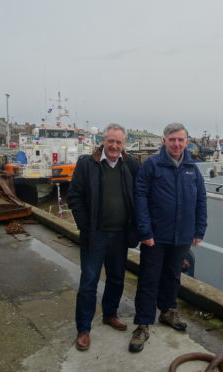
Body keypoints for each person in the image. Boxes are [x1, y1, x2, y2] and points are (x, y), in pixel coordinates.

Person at [129, 122, 207, 353]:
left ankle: (167, 311)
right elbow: (140, 198)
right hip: (156, 236)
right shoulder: (152, 165)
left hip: (182, 235)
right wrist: (145, 231)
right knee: (149, 279)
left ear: (187, 141)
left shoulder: (192, 167)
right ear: (164, 141)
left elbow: (201, 199)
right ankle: (143, 324)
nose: (176, 144)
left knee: (173, 276)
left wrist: (199, 230)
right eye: (172, 139)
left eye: (180, 140)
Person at [67, 123, 139, 351]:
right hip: (95, 235)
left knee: (117, 278)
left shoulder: (131, 165)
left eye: (119, 142)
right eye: (111, 141)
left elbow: (139, 195)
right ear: (103, 141)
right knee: (89, 281)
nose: (114, 146)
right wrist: (86, 226)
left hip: (120, 235)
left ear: (123, 144)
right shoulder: (87, 165)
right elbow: (74, 197)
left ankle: (110, 314)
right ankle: (84, 329)